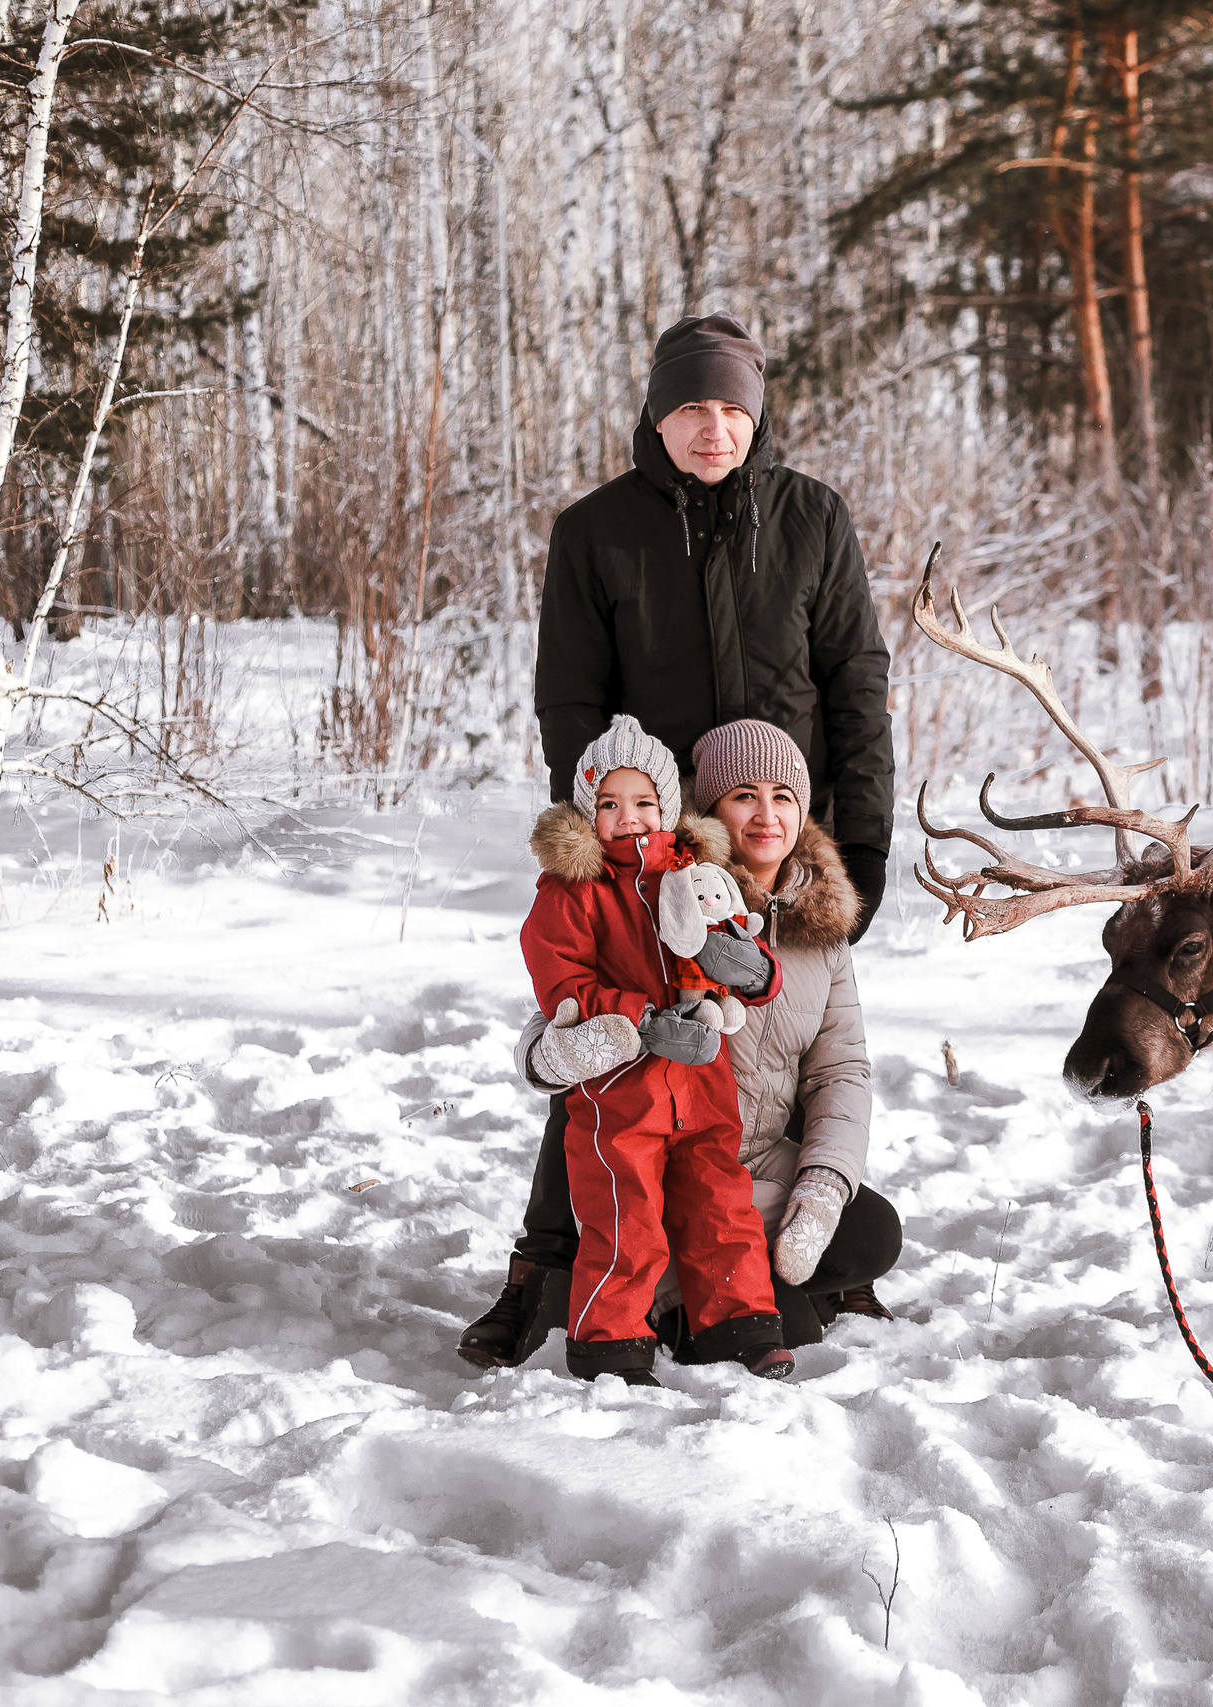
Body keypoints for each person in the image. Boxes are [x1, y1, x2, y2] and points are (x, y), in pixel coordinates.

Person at [458, 311, 895, 1369]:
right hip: (651, 854)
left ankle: (742, 1260)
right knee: (611, 1048)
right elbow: (571, 700)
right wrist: (614, 843)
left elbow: (857, 690)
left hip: (775, 837)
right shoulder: (595, 532)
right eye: (692, 407)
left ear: (757, 415)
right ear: (656, 416)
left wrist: (860, 853)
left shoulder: (811, 518)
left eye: (732, 408)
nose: (713, 428)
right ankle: (541, 1269)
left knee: (768, 1048)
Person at [513, 718, 900, 1352]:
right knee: (786, 1320)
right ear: (710, 809)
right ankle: (665, 1298)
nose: (766, 815)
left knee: (870, 1231)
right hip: (657, 1151)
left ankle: (726, 1290)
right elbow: (557, 1005)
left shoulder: (821, 932)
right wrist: (560, 1049)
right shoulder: (663, 892)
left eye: (783, 796)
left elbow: (842, 1071)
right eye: (744, 795)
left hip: (744, 1160)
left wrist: (824, 1185)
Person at [519, 715, 792, 1385]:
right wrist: (640, 1017)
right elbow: (565, 984)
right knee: (624, 1216)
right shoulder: (572, 892)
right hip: (620, 1092)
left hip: (702, 1082)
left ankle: (741, 1324)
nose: (628, 817)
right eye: (609, 804)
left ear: (667, 807)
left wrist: (752, 970)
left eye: (643, 802)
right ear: (589, 811)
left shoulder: (696, 874)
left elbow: (737, 941)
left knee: (720, 1205)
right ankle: (610, 1344)